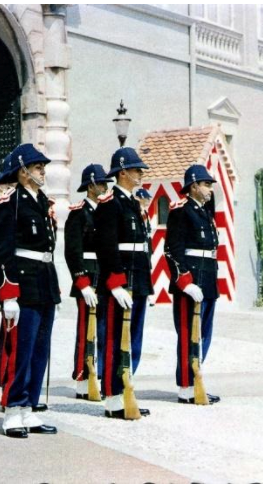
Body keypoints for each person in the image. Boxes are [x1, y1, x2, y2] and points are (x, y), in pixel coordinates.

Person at [0, 143, 61, 438]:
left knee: (40, 350)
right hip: (22, 285)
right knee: (20, 350)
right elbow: (0, 250)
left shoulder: (42, 202)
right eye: (38, 166)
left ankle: (29, 408)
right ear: (23, 170)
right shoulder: (8, 202)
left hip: (44, 282)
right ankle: (13, 411)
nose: (43, 171)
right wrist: (8, 293)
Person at [94, 147, 152, 419]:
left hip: (138, 282)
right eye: (137, 169)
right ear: (123, 171)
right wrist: (116, 284)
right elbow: (106, 248)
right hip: (120, 283)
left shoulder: (132, 204)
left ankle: (127, 387)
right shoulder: (110, 204)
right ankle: (113, 396)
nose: (141, 174)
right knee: (114, 338)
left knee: (134, 340)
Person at [165, 165, 222, 405]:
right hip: (190, 282)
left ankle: (196, 378)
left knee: (204, 335)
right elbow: (172, 250)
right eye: (206, 184)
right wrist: (185, 282)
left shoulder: (206, 213)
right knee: (189, 335)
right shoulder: (181, 211)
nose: (210, 189)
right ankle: (186, 386)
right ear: (194, 186)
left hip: (207, 280)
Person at [63, 164, 111, 401]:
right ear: (90, 186)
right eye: (101, 183)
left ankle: (99, 375)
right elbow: (73, 251)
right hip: (88, 276)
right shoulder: (78, 214)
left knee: (103, 329)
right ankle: (82, 377)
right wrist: (82, 282)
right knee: (85, 330)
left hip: (104, 276)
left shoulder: (106, 212)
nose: (104, 187)